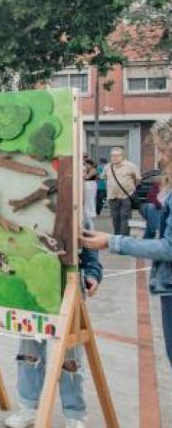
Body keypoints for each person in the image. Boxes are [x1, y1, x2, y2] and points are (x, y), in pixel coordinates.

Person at [82, 117, 172, 377]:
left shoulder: (134, 169)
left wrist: (112, 242)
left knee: (120, 225)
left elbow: (168, 246)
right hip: (113, 199)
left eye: (164, 150)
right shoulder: (109, 169)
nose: (162, 158)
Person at [4, 217, 102, 428]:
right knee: (29, 352)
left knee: (70, 358)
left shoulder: (77, 209)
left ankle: (74, 414)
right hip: (32, 291)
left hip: (67, 290)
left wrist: (93, 274)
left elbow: (91, 250)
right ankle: (28, 407)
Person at [104, 147, 141, 238]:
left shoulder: (131, 166)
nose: (114, 157)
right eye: (112, 155)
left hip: (126, 196)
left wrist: (131, 188)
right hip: (112, 197)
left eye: (117, 155)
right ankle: (117, 237)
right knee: (115, 218)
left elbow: (138, 179)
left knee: (125, 217)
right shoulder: (107, 167)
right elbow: (105, 178)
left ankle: (124, 239)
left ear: (122, 156)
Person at [83, 158, 98, 231]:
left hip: (91, 185)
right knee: (86, 201)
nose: (85, 165)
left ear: (91, 165)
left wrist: (84, 172)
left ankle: (90, 216)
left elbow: (87, 177)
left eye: (87, 164)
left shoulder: (93, 170)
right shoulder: (88, 170)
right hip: (87, 185)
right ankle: (88, 218)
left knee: (90, 201)